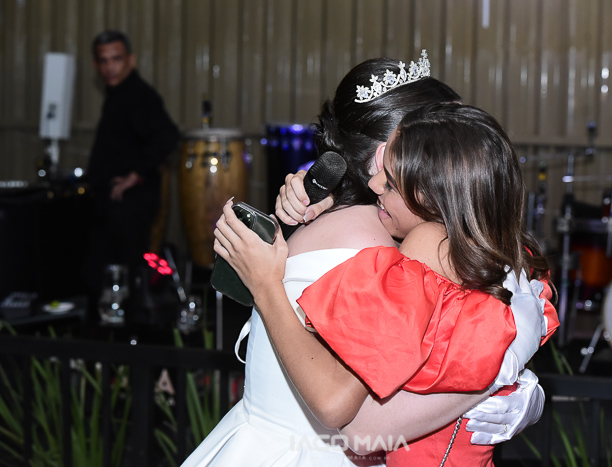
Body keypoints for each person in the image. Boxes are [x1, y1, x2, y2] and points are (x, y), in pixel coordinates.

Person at [186, 54, 555, 466]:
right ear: (387, 155)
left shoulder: (381, 227)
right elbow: (358, 422)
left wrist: (517, 386)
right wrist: (498, 371)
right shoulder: (394, 251)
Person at [82, 30, 180, 312]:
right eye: (103, 61)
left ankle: (133, 332)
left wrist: (134, 175)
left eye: (116, 59)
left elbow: (168, 136)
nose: (109, 67)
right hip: (112, 206)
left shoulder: (139, 95)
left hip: (129, 207)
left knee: (128, 281)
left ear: (131, 60)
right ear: (95, 64)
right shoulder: (117, 95)